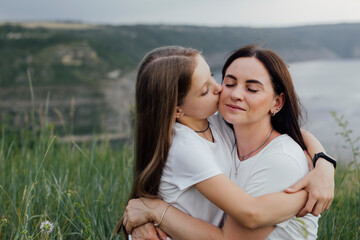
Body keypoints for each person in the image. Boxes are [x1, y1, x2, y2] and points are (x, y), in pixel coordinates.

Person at [118, 45, 335, 239]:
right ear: (177, 110)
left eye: (251, 89)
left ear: (277, 102)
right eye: (229, 82)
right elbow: (250, 214)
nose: (225, 90)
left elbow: (297, 133)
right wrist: (309, 194)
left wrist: (324, 164)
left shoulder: (272, 155)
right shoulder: (195, 137)